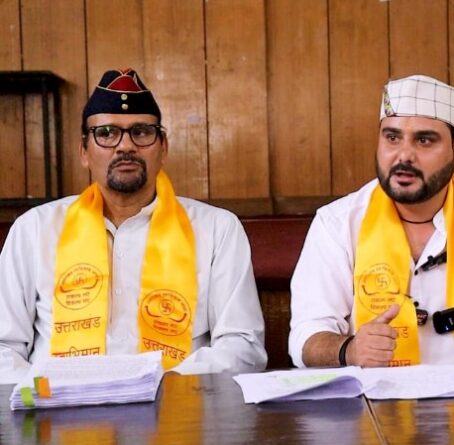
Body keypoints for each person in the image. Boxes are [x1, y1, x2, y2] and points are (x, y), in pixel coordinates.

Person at [0, 68, 267, 380]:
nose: (125, 146)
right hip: (58, 404)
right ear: (84, 152)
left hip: (179, 401)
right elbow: (4, 346)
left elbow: (242, 345)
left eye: (141, 132)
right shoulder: (34, 230)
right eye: (106, 133)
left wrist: (160, 386)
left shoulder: (217, 229)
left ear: (163, 148)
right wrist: (44, 393)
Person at [288, 74, 454, 368]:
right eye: (392, 138)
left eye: (424, 140)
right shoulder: (337, 222)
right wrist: (349, 350)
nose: (404, 156)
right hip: (370, 393)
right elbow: (305, 338)